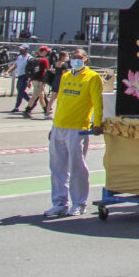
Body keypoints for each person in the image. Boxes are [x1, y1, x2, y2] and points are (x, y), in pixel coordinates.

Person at [43, 49, 103, 217]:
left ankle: (79, 203)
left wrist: (97, 123)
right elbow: (61, 100)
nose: (76, 60)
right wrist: (53, 125)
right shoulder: (66, 76)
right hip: (59, 126)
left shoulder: (92, 77)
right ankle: (59, 203)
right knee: (57, 167)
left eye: (79, 57)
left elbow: (97, 102)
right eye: (74, 57)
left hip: (78, 127)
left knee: (76, 167)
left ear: (86, 59)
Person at [24, 47, 52, 118]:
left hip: (34, 79)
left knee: (41, 96)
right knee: (34, 96)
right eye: (46, 51)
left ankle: (46, 111)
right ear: (43, 52)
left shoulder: (33, 59)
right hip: (40, 80)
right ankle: (27, 110)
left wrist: (29, 80)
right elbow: (46, 71)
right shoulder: (44, 60)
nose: (47, 53)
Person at [6, 44, 31, 113]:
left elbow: (30, 69)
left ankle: (16, 107)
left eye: (22, 50)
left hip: (25, 76)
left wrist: (29, 80)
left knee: (20, 92)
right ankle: (31, 101)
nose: (21, 51)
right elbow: (15, 65)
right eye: (20, 49)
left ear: (26, 50)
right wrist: (7, 71)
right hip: (20, 76)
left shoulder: (29, 58)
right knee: (20, 90)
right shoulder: (19, 57)